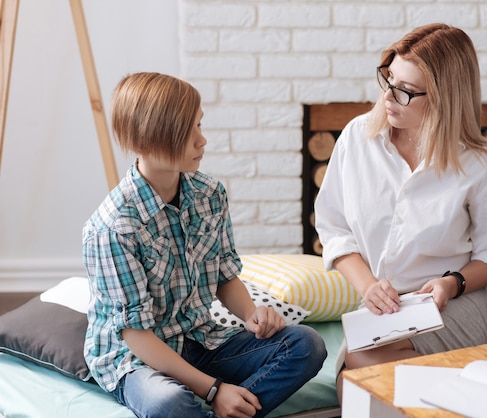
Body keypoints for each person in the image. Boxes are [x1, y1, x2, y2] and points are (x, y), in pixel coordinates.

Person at [82, 72, 326, 418]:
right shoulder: (112, 228)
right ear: (147, 140)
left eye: (199, 125)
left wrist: (252, 315)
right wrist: (213, 390)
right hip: (137, 357)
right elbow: (136, 335)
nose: (202, 140)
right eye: (189, 131)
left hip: (200, 338)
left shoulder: (210, 195)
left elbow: (224, 276)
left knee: (306, 344)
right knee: (169, 403)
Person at [314, 23, 487, 398]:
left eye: (406, 91)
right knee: (359, 381)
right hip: (383, 308)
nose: (389, 97)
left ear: (445, 97)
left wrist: (451, 283)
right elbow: (334, 228)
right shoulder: (357, 139)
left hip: (450, 305)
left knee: (359, 379)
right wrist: (368, 286)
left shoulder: (481, 163)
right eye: (388, 78)